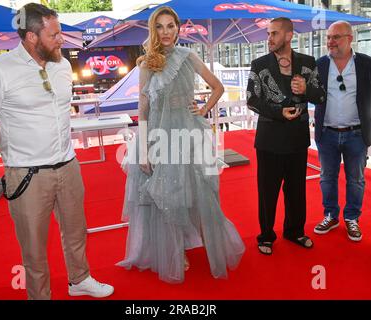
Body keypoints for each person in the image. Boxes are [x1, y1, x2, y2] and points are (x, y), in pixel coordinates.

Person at [0, 3, 114, 300]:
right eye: (55, 34)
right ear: (31, 37)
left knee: (76, 232)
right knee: (34, 247)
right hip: (27, 174)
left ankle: (80, 280)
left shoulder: (62, 65)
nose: (61, 39)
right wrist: (11, 151)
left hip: (68, 165)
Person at [118, 6, 245, 283]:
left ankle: (202, 239)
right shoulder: (145, 64)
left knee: (197, 190)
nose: (166, 32)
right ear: (154, 30)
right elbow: (143, 107)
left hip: (188, 132)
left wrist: (202, 109)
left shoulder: (189, 56)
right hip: (157, 135)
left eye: (171, 26)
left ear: (178, 29)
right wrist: (143, 148)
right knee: (166, 193)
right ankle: (173, 250)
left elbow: (218, 86)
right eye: (160, 27)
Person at [246, 17, 326, 255]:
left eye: (274, 33)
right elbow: (251, 99)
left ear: (289, 35)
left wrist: (307, 90)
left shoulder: (308, 63)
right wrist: (278, 112)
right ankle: (266, 235)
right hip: (269, 140)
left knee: (296, 191)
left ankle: (294, 231)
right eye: (268, 34)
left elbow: (321, 96)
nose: (269, 38)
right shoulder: (259, 65)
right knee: (267, 192)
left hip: (297, 140)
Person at [313, 21, 371, 242]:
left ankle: (352, 218)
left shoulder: (366, 64)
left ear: (350, 38)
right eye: (328, 37)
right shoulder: (319, 65)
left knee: (356, 179)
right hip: (326, 133)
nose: (331, 41)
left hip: (356, 134)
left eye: (336, 37)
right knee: (327, 178)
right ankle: (330, 215)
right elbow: (309, 94)